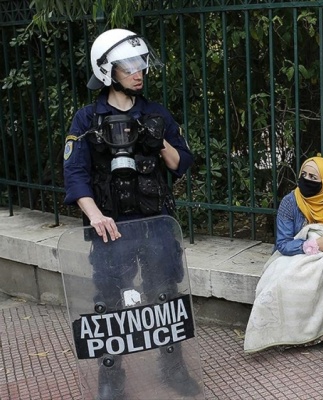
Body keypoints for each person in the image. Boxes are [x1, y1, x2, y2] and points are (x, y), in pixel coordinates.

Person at [62, 29, 199, 399]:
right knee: (109, 300)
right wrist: (94, 216)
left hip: (156, 223)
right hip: (111, 226)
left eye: (142, 65)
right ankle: (111, 377)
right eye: (129, 66)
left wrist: (161, 141)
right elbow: (74, 174)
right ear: (107, 70)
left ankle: (174, 369)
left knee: (165, 296)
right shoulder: (87, 118)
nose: (139, 73)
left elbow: (181, 164)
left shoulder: (156, 114)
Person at [243, 156, 323, 353]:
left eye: (313, 177)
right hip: (294, 254)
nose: (306, 180)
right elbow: (283, 244)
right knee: (285, 277)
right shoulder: (291, 202)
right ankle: (292, 335)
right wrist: (315, 243)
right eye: (304, 174)